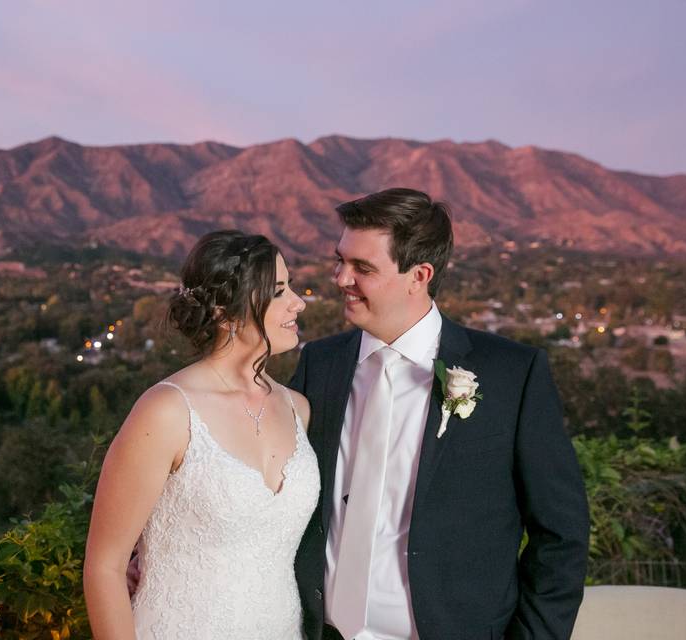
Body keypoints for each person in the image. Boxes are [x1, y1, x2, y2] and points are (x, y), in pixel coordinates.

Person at [290, 188, 590, 640]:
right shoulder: (320, 364)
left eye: (362, 268)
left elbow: (561, 535)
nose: (340, 278)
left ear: (420, 275)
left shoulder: (512, 374)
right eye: (340, 260)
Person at [84, 230, 318, 639]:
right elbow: (104, 567)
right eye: (278, 291)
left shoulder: (298, 409)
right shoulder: (167, 411)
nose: (298, 302)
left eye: (291, 287)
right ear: (226, 313)